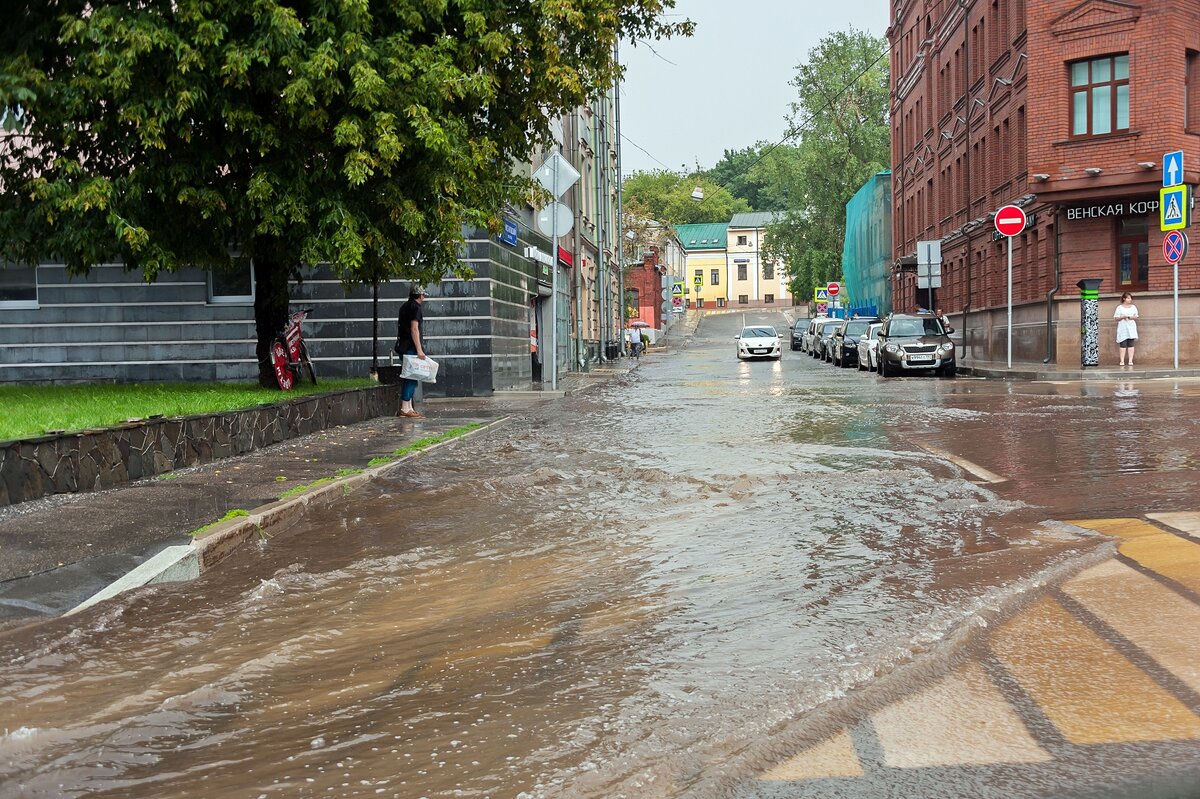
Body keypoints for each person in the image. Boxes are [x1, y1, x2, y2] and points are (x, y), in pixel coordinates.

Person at [395, 286, 428, 417]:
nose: (424, 298)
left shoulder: (404, 307)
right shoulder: (416, 308)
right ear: (419, 295)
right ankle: (405, 408)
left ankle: (408, 407)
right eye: (423, 295)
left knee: (409, 376)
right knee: (411, 377)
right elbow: (414, 329)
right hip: (410, 348)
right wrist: (419, 350)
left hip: (402, 346)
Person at [1114, 291, 1139, 367]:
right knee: (1123, 343)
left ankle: (1130, 360)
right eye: (1128, 298)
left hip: (1131, 327)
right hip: (1123, 327)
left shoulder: (1133, 307)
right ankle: (1122, 360)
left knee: (1131, 343)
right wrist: (1122, 317)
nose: (1130, 299)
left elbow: (1136, 316)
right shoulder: (1119, 307)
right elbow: (1116, 318)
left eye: (1130, 298)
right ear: (1124, 299)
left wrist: (1129, 317)